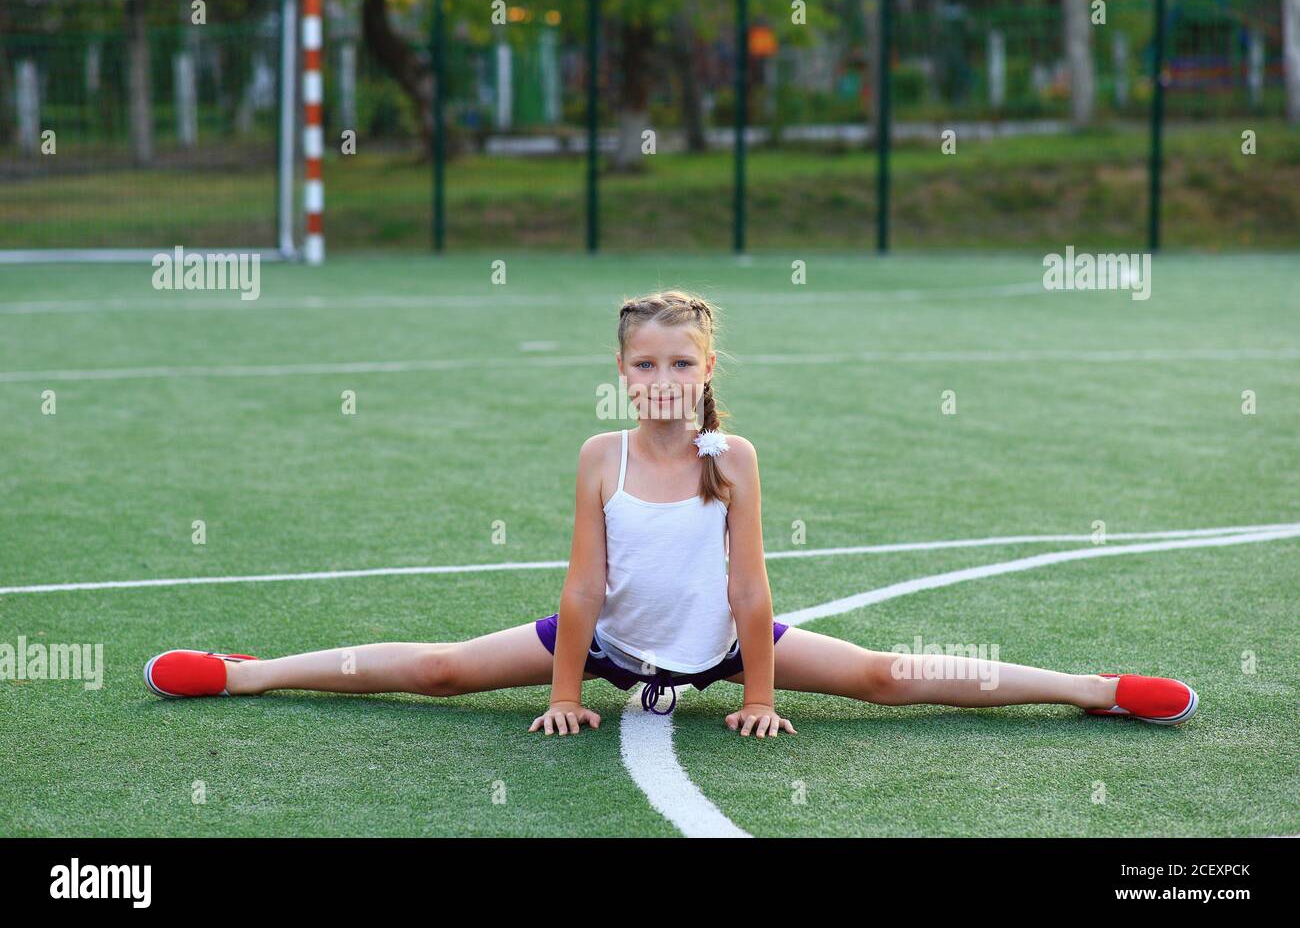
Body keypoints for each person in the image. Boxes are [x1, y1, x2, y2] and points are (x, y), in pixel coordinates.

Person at [143, 290, 1197, 737]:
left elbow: (749, 586)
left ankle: (1094, 689)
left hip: (721, 648)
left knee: (882, 675)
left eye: (679, 362)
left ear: (704, 368)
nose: (660, 376)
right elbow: (581, 584)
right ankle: (243, 671)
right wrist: (564, 690)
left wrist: (764, 690)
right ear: (620, 370)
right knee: (439, 671)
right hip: (606, 642)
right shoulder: (598, 456)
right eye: (642, 362)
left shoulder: (731, 455)